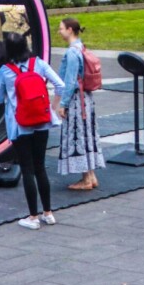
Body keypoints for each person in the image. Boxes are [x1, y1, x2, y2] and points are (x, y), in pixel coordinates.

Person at [0, 32, 64, 229]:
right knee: (40, 166)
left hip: (20, 124)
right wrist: (51, 107)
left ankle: (32, 217)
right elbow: (60, 85)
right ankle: (48, 213)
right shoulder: (39, 64)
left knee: (27, 169)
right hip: (42, 121)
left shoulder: (5, 71)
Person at [57, 17, 105, 190]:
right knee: (87, 135)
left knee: (78, 136)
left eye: (61, 28)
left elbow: (70, 81)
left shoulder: (71, 52)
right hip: (86, 98)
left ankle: (85, 179)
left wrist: (63, 103)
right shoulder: (81, 47)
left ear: (70, 30)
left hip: (77, 100)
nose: (59, 31)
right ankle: (91, 176)